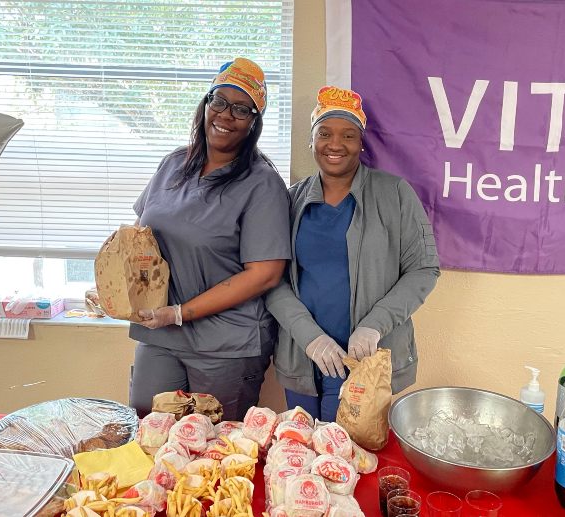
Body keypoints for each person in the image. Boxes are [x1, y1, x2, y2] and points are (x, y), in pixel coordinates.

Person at [266, 86, 441, 422]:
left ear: (361, 143)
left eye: (348, 135)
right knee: (301, 455)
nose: (335, 144)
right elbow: (271, 280)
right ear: (311, 141)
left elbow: (424, 268)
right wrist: (310, 337)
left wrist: (374, 326)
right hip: (305, 358)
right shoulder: (289, 202)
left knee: (351, 462)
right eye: (324, 133)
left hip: (366, 361)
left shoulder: (394, 194)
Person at [129, 58, 291, 420]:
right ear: (205, 105)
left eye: (241, 109)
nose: (225, 115)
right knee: (148, 430)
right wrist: (115, 283)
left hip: (227, 344)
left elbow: (265, 273)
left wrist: (181, 313)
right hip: (160, 334)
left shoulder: (262, 184)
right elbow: (140, 240)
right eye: (218, 101)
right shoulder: (173, 164)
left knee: (215, 448)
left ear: (253, 123)